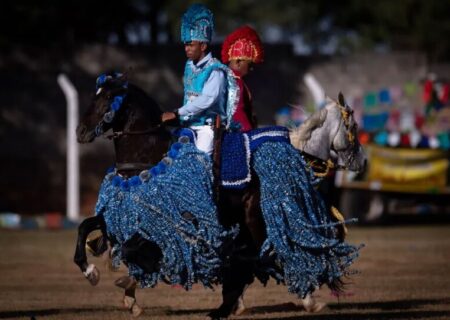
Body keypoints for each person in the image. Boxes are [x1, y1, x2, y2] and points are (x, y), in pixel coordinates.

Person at [161, 4, 227, 156]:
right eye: (185, 45)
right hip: (187, 124)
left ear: (203, 45)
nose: (186, 49)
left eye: (191, 45)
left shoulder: (215, 69)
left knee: (199, 163)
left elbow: (207, 100)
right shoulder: (189, 65)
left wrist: (177, 112)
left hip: (206, 128)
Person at [221, 25, 264, 132]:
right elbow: (237, 111)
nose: (251, 69)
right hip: (237, 135)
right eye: (249, 65)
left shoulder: (223, 75)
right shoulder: (234, 80)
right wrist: (251, 133)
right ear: (238, 62)